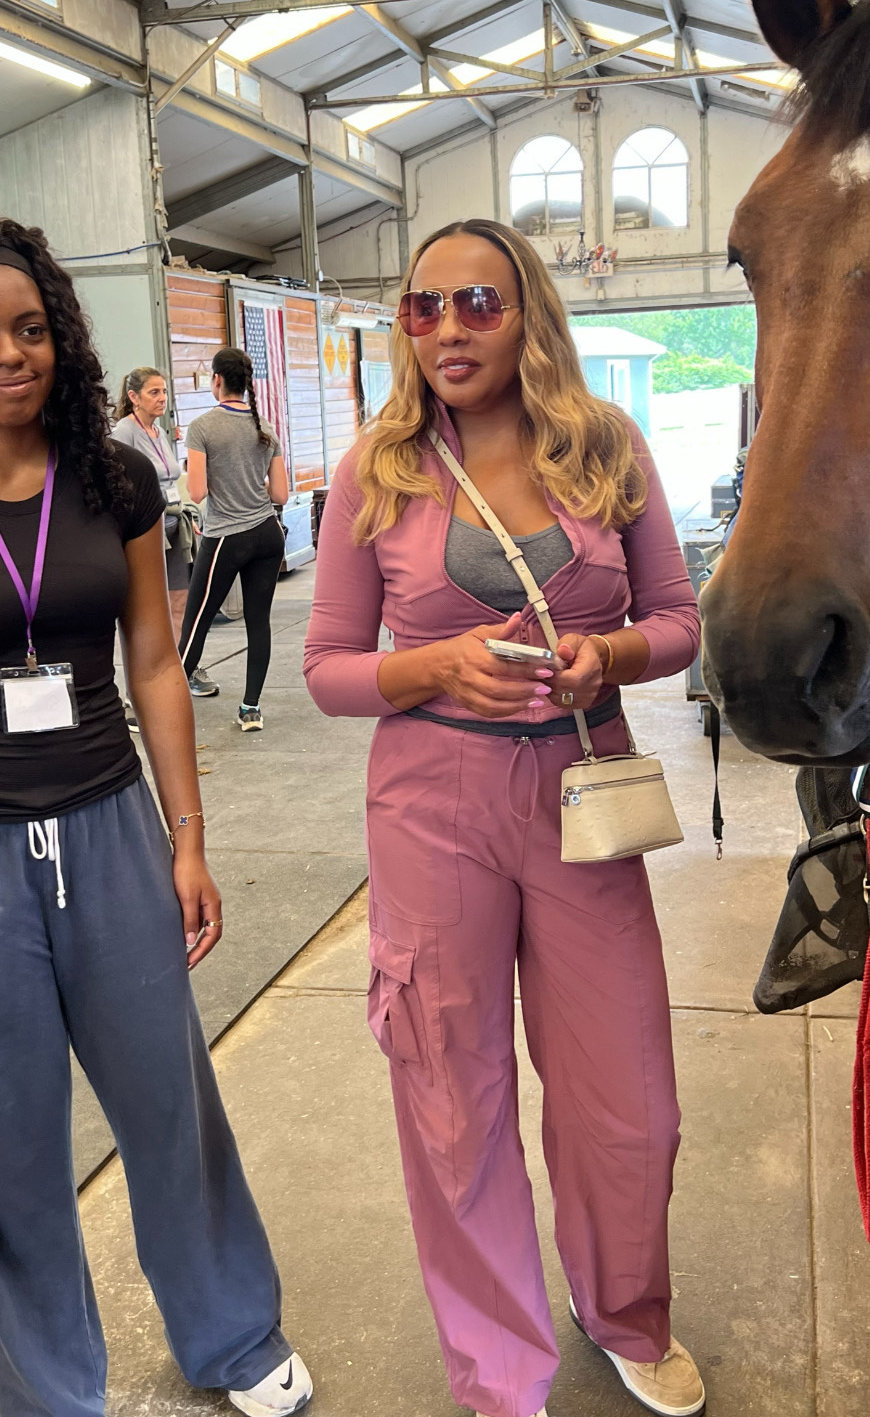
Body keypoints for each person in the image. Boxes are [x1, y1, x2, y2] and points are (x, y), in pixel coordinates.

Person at [0, 219, 312, 1417]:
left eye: (31, 328)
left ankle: (234, 1335)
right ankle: (52, 1393)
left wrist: (189, 833)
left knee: (171, 1106)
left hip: (110, 832)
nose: (11, 353)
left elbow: (156, 659)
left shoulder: (116, 479)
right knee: (7, 1153)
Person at [303, 217, 705, 1417]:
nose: (448, 330)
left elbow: (681, 619)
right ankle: (497, 1370)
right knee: (451, 1093)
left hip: (582, 792)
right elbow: (328, 667)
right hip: (433, 807)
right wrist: (429, 669)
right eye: (423, 309)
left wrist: (611, 654)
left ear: (528, 308)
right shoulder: (376, 469)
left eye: (478, 302)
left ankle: (622, 1307)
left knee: (629, 1096)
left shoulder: (606, 447)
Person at [178, 347, 288, 732]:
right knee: (259, 622)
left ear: (217, 380)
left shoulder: (203, 427)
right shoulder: (266, 427)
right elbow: (280, 496)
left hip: (226, 535)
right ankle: (250, 709)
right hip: (267, 534)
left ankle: (166, 708)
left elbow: (195, 492)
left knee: (197, 622)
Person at [112, 365, 189, 639]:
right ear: (134, 397)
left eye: (164, 391)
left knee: (180, 599)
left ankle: (184, 667)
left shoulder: (160, 432)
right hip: (147, 526)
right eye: (154, 392)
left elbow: (171, 479)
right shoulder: (124, 431)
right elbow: (116, 484)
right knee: (150, 606)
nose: (162, 398)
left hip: (174, 523)